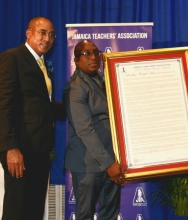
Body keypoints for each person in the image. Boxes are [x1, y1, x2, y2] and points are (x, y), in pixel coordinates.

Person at [0, 16, 58, 220]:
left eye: (51, 35)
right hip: (20, 149)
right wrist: (10, 147)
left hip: (40, 149)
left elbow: (42, 106)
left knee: (34, 209)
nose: (47, 38)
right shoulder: (13, 57)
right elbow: (4, 104)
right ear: (29, 33)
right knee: (17, 209)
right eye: (42, 33)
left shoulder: (42, 64)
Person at [63, 40, 125, 220]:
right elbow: (85, 130)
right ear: (76, 60)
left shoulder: (102, 80)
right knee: (85, 215)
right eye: (87, 54)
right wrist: (109, 164)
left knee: (110, 214)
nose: (93, 57)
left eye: (96, 53)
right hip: (88, 165)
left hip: (111, 160)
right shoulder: (75, 88)